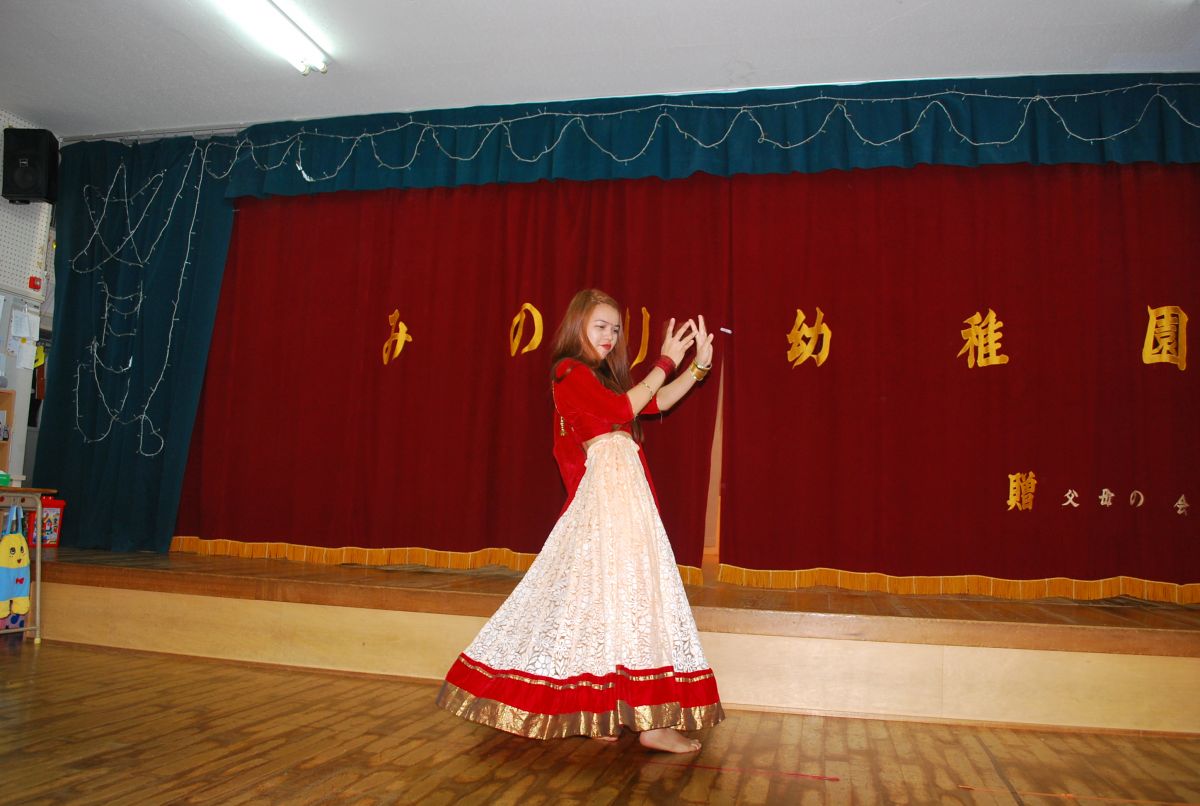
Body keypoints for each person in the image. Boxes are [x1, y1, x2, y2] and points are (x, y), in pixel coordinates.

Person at [436, 289, 724, 753]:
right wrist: (666, 361)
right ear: (577, 326)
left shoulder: (601, 378)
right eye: (600, 326)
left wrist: (697, 368)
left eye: (615, 328)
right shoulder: (569, 371)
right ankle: (648, 722)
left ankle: (605, 712)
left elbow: (656, 402)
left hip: (621, 488)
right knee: (631, 591)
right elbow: (624, 410)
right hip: (609, 489)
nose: (610, 336)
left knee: (609, 597)